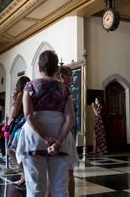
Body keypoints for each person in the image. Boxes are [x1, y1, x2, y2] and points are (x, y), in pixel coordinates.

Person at [15, 50, 76, 197]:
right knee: (60, 188)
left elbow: (28, 115)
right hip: (60, 136)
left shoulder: (30, 86)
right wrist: (57, 141)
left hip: (34, 139)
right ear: (56, 69)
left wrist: (45, 138)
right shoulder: (64, 89)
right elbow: (70, 118)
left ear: (39, 68)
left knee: (35, 187)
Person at [56, 66, 79, 197]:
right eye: (69, 74)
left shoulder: (62, 89)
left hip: (63, 133)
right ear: (62, 76)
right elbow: (70, 118)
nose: (72, 77)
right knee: (65, 171)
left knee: (68, 171)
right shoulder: (63, 90)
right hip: (62, 133)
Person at [6, 76, 31, 186]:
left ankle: (25, 173)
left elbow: (14, 113)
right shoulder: (31, 94)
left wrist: (14, 101)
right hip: (28, 123)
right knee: (23, 152)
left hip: (19, 125)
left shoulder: (21, 94)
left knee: (11, 149)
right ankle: (24, 174)